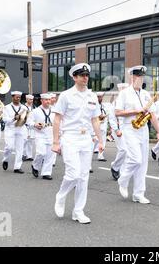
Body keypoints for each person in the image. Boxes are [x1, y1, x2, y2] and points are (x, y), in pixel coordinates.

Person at [52, 63, 103, 224]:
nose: (85, 78)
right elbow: (57, 119)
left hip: (86, 139)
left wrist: (100, 140)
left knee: (83, 177)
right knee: (73, 174)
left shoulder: (92, 96)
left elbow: (95, 120)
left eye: (87, 75)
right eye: (82, 75)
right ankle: (60, 196)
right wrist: (55, 142)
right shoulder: (66, 95)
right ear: (74, 77)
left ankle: (78, 211)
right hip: (70, 138)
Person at [114, 65, 159, 204]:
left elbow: (152, 114)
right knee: (136, 159)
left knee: (143, 164)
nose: (140, 79)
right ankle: (123, 179)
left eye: (142, 77)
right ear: (132, 77)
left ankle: (138, 194)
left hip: (143, 129)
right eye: (138, 76)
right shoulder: (124, 93)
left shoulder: (146, 94)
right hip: (129, 128)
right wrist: (135, 111)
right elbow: (117, 112)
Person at [28, 93, 55, 180]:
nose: (48, 101)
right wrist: (35, 124)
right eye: (46, 100)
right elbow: (29, 122)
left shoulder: (54, 111)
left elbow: (58, 122)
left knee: (49, 155)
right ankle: (35, 166)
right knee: (41, 153)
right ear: (41, 100)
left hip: (51, 135)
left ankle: (46, 173)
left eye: (49, 100)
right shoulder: (35, 111)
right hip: (40, 135)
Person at [1, 91, 27, 174]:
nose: (18, 99)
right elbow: (5, 120)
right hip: (10, 129)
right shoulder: (6, 107)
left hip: (20, 129)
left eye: (19, 97)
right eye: (16, 97)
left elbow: (27, 119)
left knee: (20, 149)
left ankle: (17, 167)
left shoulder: (24, 108)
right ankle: (5, 159)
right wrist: (13, 118)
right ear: (12, 97)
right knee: (9, 147)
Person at [110, 83, 129, 180]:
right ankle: (115, 166)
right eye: (123, 89)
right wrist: (116, 130)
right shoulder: (116, 102)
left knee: (127, 151)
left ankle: (123, 171)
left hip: (128, 129)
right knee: (123, 150)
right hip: (118, 129)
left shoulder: (128, 102)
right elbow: (112, 118)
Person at [94, 92, 111, 162]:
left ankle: (100, 156)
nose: (100, 98)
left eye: (101, 97)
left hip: (103, 126)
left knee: (103, 141)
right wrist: (100, 116)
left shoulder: (104, 106)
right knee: (94, 141)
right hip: (95, 126)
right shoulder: (94, 105)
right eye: (98, 97)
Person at [22, 94, 35, 162]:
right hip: (25, 126)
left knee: (30, 141)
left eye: (32, 99)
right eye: (30, 99)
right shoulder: (23, 107)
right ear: (26, 99)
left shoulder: (34, 107)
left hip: (32, 127)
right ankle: (23, 154)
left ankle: (29, 156)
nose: (31, 101)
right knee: (24, 141)